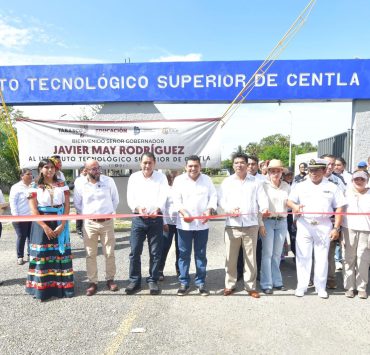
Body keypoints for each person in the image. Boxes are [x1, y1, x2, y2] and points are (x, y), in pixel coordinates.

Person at [287, 158, 345, 299]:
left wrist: (336, 228)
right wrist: (295, 207)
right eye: (311, 170)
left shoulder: (332, 187)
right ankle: (302, 286)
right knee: (303, 256)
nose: (313, 173)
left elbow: (340, 207)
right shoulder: (300, 185)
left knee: (321, 257)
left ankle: (320, 287)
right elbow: (289, 201)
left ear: (324, 171)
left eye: (317, 170)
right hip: (305, 224)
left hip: (323, 224)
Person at [219, 153, 269, 298]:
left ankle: (251, 286)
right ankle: (229, 285)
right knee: (230, 257)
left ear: (247, 165)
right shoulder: (227, 182)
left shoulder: (255, 182)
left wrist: (264, 208)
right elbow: (222, 201)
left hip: (251, 225)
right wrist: (229, 210)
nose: (239, 165)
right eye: (236, 163)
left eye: (242, 162)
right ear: (233, 165)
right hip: (232, 225)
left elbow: (262, 199)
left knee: (250, 258)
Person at [26, 158, 74, 301]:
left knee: (60, 254)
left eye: (52, 167)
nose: (50, 169)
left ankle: (62, 289)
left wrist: (63, 224)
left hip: (59, 221)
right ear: (40, 169)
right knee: (42, 256)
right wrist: (45, 226)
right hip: (41, 224)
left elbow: (66, 206)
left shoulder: (62, 184)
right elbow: (33, 210)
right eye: (46, 167)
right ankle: (42, 291)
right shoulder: (34, 186)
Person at [74, 159, 119, 296]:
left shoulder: (108, 181)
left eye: (98, 168)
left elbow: (115, 200)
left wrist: (107, 214)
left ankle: (110, 279)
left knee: (110, 252)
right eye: (93, 169)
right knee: (90, 254)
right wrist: (90, 216)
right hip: (89, 223)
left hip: (106, 222)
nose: (97, 171)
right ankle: (93, 282)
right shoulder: (80, 183)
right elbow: (78, 204)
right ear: (86, 170)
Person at [173, 155, 217, 296]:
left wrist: (209, 210)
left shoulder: (207, 180)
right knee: (184, 254)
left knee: (201, 254)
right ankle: (184, 282)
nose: (193, 168)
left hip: (201, 225)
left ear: (200, 167)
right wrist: (183, 212)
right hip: (184, 225)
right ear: (185, 167)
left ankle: (200, 283)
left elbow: (213, 197)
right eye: (190, 166)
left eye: (196, 166)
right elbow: (176, 200)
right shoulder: (179, 181)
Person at [126, 152, 168, 295]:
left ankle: (152, 280)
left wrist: (157, 208)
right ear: (140, 163)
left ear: (154, 163)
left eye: (150, 163)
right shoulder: (134, 178)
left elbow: (164, 196)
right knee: (135, 251)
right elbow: (130, 198)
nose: (147, 165)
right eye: (145, 163)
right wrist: (138, 208)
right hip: (139, 219)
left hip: (155, 219)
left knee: (155, 252)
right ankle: (134, 280)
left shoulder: (161, 178)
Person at [260, 160, 291, 294]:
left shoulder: (286, 186)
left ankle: (277, 281)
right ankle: (266, 283)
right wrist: (260, 223)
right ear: (268, 172)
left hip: (282, 221)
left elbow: (289, 203)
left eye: (278, 171)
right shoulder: (263, 185)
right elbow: (259, 205)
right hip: (268, 221)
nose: (276, 173)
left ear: (282, 172)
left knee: (277, 254)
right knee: (267, 253)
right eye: (273, 171)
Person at [342, 170, 370, 299]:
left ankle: (361, 287)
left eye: (362, 179)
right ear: (352, 180)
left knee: (363, 259)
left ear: (366, 181)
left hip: (366, 230)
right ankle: (349, 287)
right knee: (349, 258)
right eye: (356, 179)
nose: (359, 182)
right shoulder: (346, 193)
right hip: (348, 229)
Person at [321, 154, 346, 289]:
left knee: (329, 252)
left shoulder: (338, 181)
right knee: (313, 253)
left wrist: (338, 224)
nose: (330, 167)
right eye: (327, 164)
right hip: (312, 222)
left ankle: (330, 278)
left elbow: (342, 203)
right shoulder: (309, 179)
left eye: (332, 164)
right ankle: (314, 278)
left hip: (331, 223)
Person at [158, 170, 180, 281]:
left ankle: (179, 270)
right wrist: (164, 222)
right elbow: (163, 207)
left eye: (176, 176)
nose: (174, 178)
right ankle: (160, 270)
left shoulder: (181, 188)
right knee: (164, 247)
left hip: (181, 223)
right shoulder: (165, 190)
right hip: (168, 224)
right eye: (172, 177)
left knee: (180, 248)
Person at [9, 168, 33, 265]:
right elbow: (12, 202)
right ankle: (20, 256)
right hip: (20, 217)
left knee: (31, 237)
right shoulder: (16, 187)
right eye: (28, 174)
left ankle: (31, 254)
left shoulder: (33, 186)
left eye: (31, 174)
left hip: (32, 216)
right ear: (22, 176)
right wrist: (16, 216)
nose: (31, 176)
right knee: (21, 236)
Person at [74, 166, 87, 236]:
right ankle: (79, 229)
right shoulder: (79, 180)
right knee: (79, 215)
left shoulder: (90, 178)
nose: (86, 172)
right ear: (81, 172)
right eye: (85, 171)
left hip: (88, 202)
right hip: (80, 201)